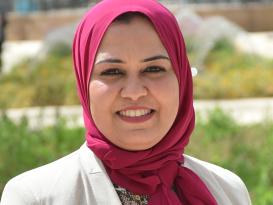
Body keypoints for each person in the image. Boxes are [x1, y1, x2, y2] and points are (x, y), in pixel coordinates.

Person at [1, 0, 252, 204]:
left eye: (154, 68)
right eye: (112, 72)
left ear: (182, 78)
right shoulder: (35, 197)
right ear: (83, 83)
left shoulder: (228, 191)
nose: (134, 92)